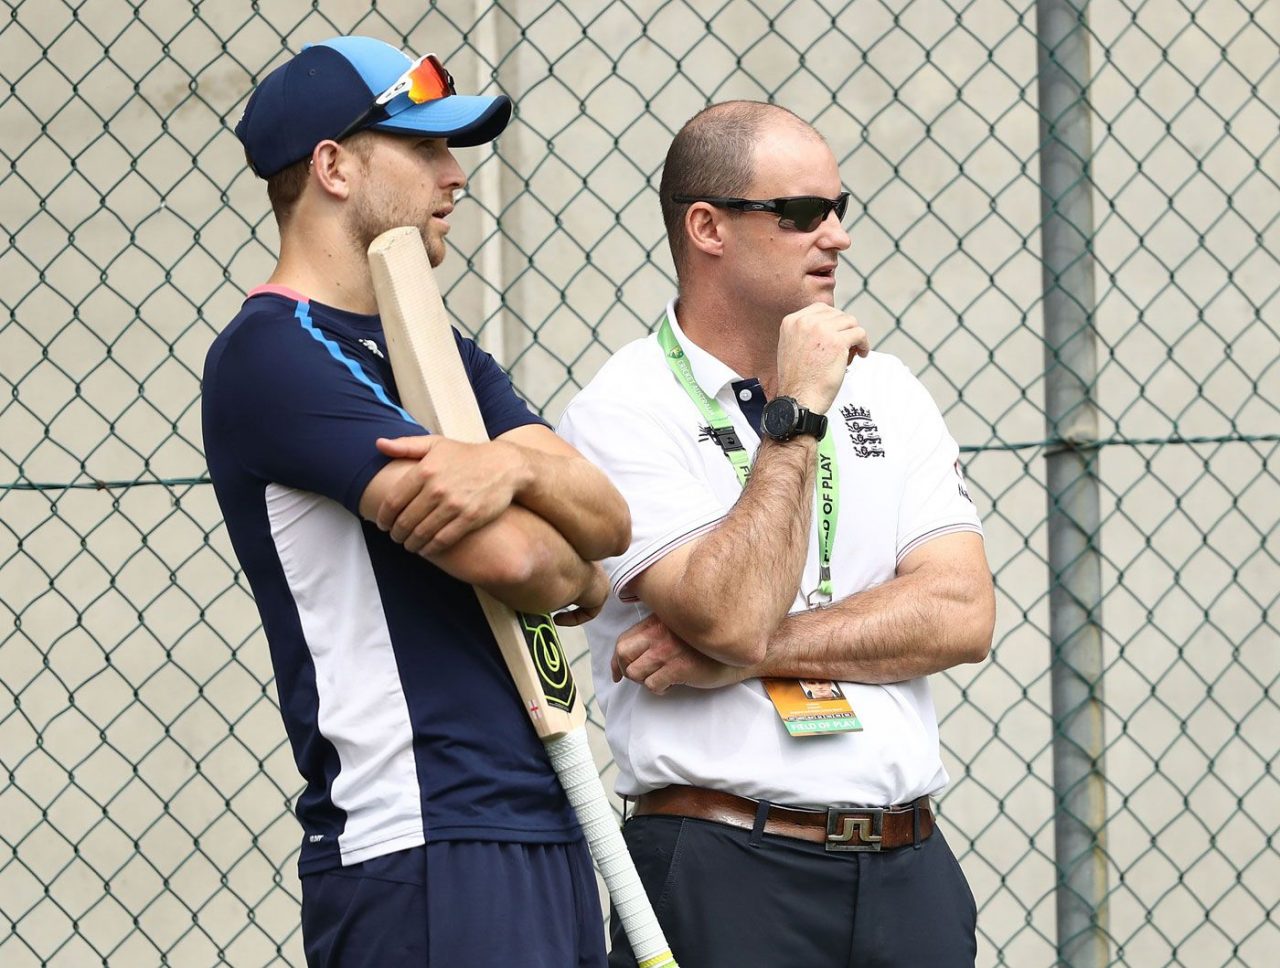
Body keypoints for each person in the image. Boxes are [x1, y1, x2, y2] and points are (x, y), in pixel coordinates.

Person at [201, 36, 628, 967]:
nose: (456, 174)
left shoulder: (441, 345)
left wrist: (511, 476)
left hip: (541, 811)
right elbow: (523, 563)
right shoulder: (274, 353)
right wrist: (577, 573)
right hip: (420, 832)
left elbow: (607, 514)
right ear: (334, 167)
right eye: (426, 148)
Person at [557, 101, 997, 968]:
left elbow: (961, 612)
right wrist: (793, 415)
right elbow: (728, 610)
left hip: (908, 863)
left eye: (840, 208)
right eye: (799, 213)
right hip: (729, 862)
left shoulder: (889, 388)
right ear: (707, 227)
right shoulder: (623, 408)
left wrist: (752, 656)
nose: (833, 236)